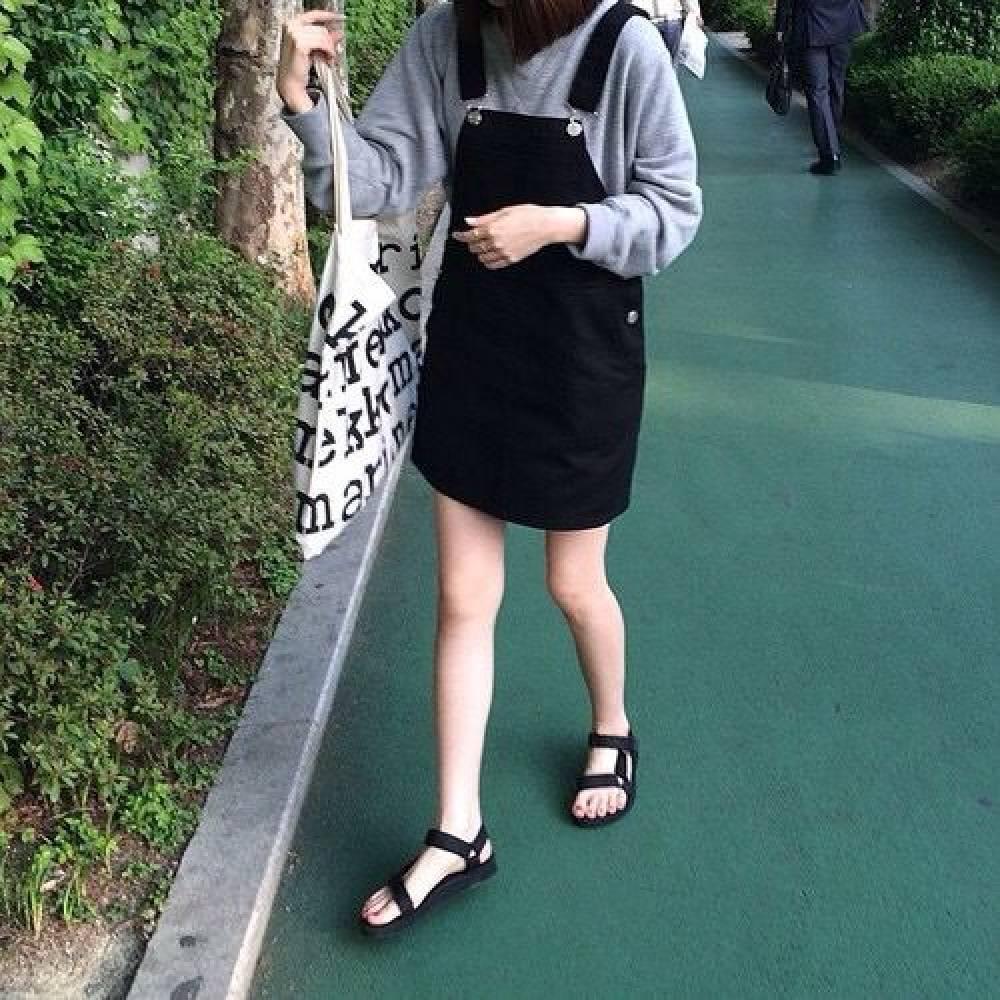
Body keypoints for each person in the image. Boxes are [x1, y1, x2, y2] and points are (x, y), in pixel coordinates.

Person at [277, 0, 702, 936]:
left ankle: (612, 724)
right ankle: (458, 832)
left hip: (584, 360)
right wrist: (306, 104)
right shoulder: (447, 33)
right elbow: (378, 180)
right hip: (474, 348)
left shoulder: (626, 45)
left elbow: (674, 213)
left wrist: (559, 224)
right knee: (463, 596)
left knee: (574, 583)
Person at [776, 0, 869, 175]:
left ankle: (829, 152)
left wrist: (781, 25)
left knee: (818, 90)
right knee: (836, 85)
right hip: (844, 20)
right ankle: (831, 141)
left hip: (813, 23)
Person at [633, 0, 703, 60]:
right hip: (649, 20)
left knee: (651, 63)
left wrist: (694, 12)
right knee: (649, 62)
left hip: (669, 19)